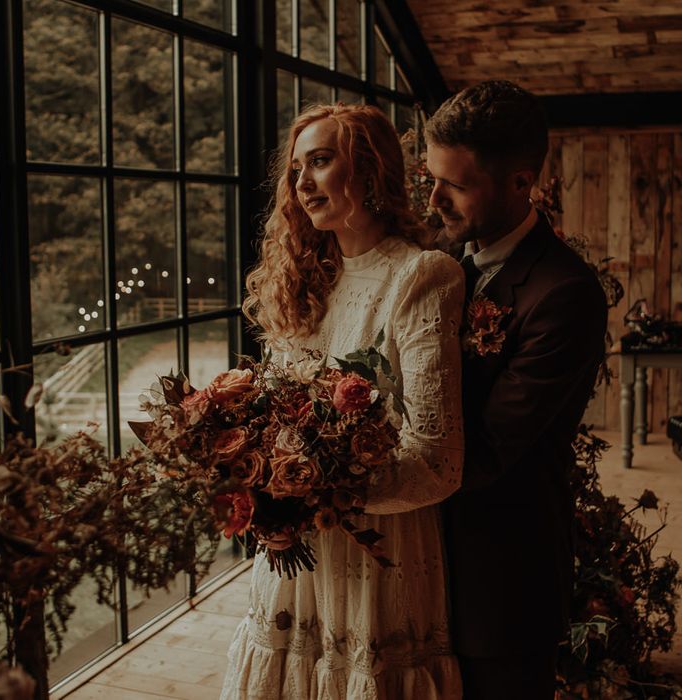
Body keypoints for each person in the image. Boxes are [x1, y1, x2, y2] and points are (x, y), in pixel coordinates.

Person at [219, 103, 464, 699]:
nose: (302, 182)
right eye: (296, 169)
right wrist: (263, 492)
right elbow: (274, 418)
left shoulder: (421, 276)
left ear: (371, 169)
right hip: (294, 554)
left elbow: (437, 461)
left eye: (321, 161)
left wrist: (310, 495)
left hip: (378, 552)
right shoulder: (300, 281)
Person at [426, 80, 608, 699]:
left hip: (500, 584)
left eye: (454, 185)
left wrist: (362, 473)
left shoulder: (564, 293)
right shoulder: (440, 258)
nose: (434, 199)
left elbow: (486, 452)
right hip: (420, 572)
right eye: (432, 178)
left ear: (521, 182)